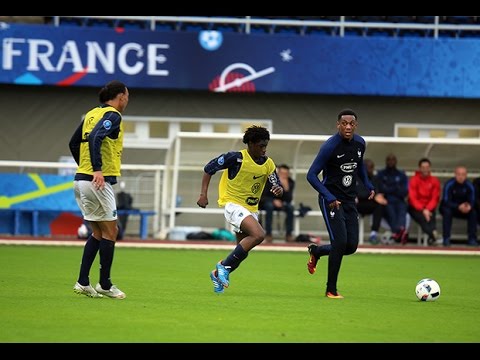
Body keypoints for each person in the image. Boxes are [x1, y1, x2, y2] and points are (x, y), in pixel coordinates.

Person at [197, 125, 283, 294]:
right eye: (261, 146)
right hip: (233, 204)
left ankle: (216, 274)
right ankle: (222, 266)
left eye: (266, 145)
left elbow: (276, 183)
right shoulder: (235, 158)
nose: (264, 149)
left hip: (251, 209)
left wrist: (278, 189)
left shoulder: (269, 163)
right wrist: (203, 195)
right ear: (250, 144)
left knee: (242, 250)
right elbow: (209, 169)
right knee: (259, 235)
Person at [69, 80, 129, 299]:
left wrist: (85, 168)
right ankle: (105, 284)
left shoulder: (91, 114)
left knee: (98, 232)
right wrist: (97, 170)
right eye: (127, 96)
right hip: (96, 181)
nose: (127, 101)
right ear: (120, 96)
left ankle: (83, 281)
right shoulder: (114, 115)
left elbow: (73, 143)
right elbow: (96, 137)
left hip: (81, 180)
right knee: (111, 232)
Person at [306, 109, 374, 299]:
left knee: (351, 246)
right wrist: (328, 196)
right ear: (338, 125)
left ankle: (317, 251)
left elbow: (359, 166)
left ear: (356, 125)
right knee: (340, 242)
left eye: (351, 123)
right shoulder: (329, 147)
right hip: (331, 201)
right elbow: (311, 175)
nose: (348, 127)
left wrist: (368, 185)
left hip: (349, 200)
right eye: (344, 123)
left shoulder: (360, 143)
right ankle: (331, 289)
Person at [439, 166, 478, 246]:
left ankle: (472, 239)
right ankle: (446, 239)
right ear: (455, 175)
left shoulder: (469, 185)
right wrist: (458, 206)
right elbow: (446, 201)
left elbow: (473, 200)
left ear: (466, 175)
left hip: (464, 209)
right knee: (447, 212)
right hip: (451, 208)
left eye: (463, 174)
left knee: (473, 213)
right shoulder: (449, 184)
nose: (461, 177)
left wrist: (469, 206)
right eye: (459, 174)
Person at [376, 153, 409, 244]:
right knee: (391, 213)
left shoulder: (401, 174)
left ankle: (400, 231)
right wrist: (395, 188)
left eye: (392, 160)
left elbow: (404, 191)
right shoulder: (381, 174)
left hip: (399, 200)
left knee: (403, 209)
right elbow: (381, 188)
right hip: (387, 201)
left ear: (396, 161)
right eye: (389, 160)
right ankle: (400, 232)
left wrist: (389, 188)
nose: (391, 162)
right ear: (386, 161)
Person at [407, 158, 441, 246]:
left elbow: (435, 198)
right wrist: (423, 209)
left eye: (427, 167)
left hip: (429, 208)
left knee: (431, 216)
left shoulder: (434, 181)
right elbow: (412, 198)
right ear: (419, 168)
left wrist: (427, 209)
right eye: (423, 167)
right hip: (415, 208)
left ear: (430, 168)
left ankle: (432, 237)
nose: (425, 169)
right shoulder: (414, 180)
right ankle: (433, 235)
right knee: (422, 218)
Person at [259, 164, 295, 243]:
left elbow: (289, 199)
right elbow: (264, 195)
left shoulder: (290, 182)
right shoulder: (270, 180)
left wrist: (285, 187)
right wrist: (273, 201)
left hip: (282, 203)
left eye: (286, 174)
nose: (284, 175)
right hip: (268, 202)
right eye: (282, 173)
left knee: (290, 207)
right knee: (269, 206)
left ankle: (289, 234)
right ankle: (268, 234)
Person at [355, 158, 386, 244]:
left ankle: (374, 233)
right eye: (368, 167)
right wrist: (374, 195)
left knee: (380, 206)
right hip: (358, 204)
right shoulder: (357, 177)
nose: (370, 169)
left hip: (370, 203)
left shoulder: (374, 178)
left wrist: (378, 196)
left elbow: (377, 191)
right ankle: (352, 235)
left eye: (371, 167)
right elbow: (360, 193)